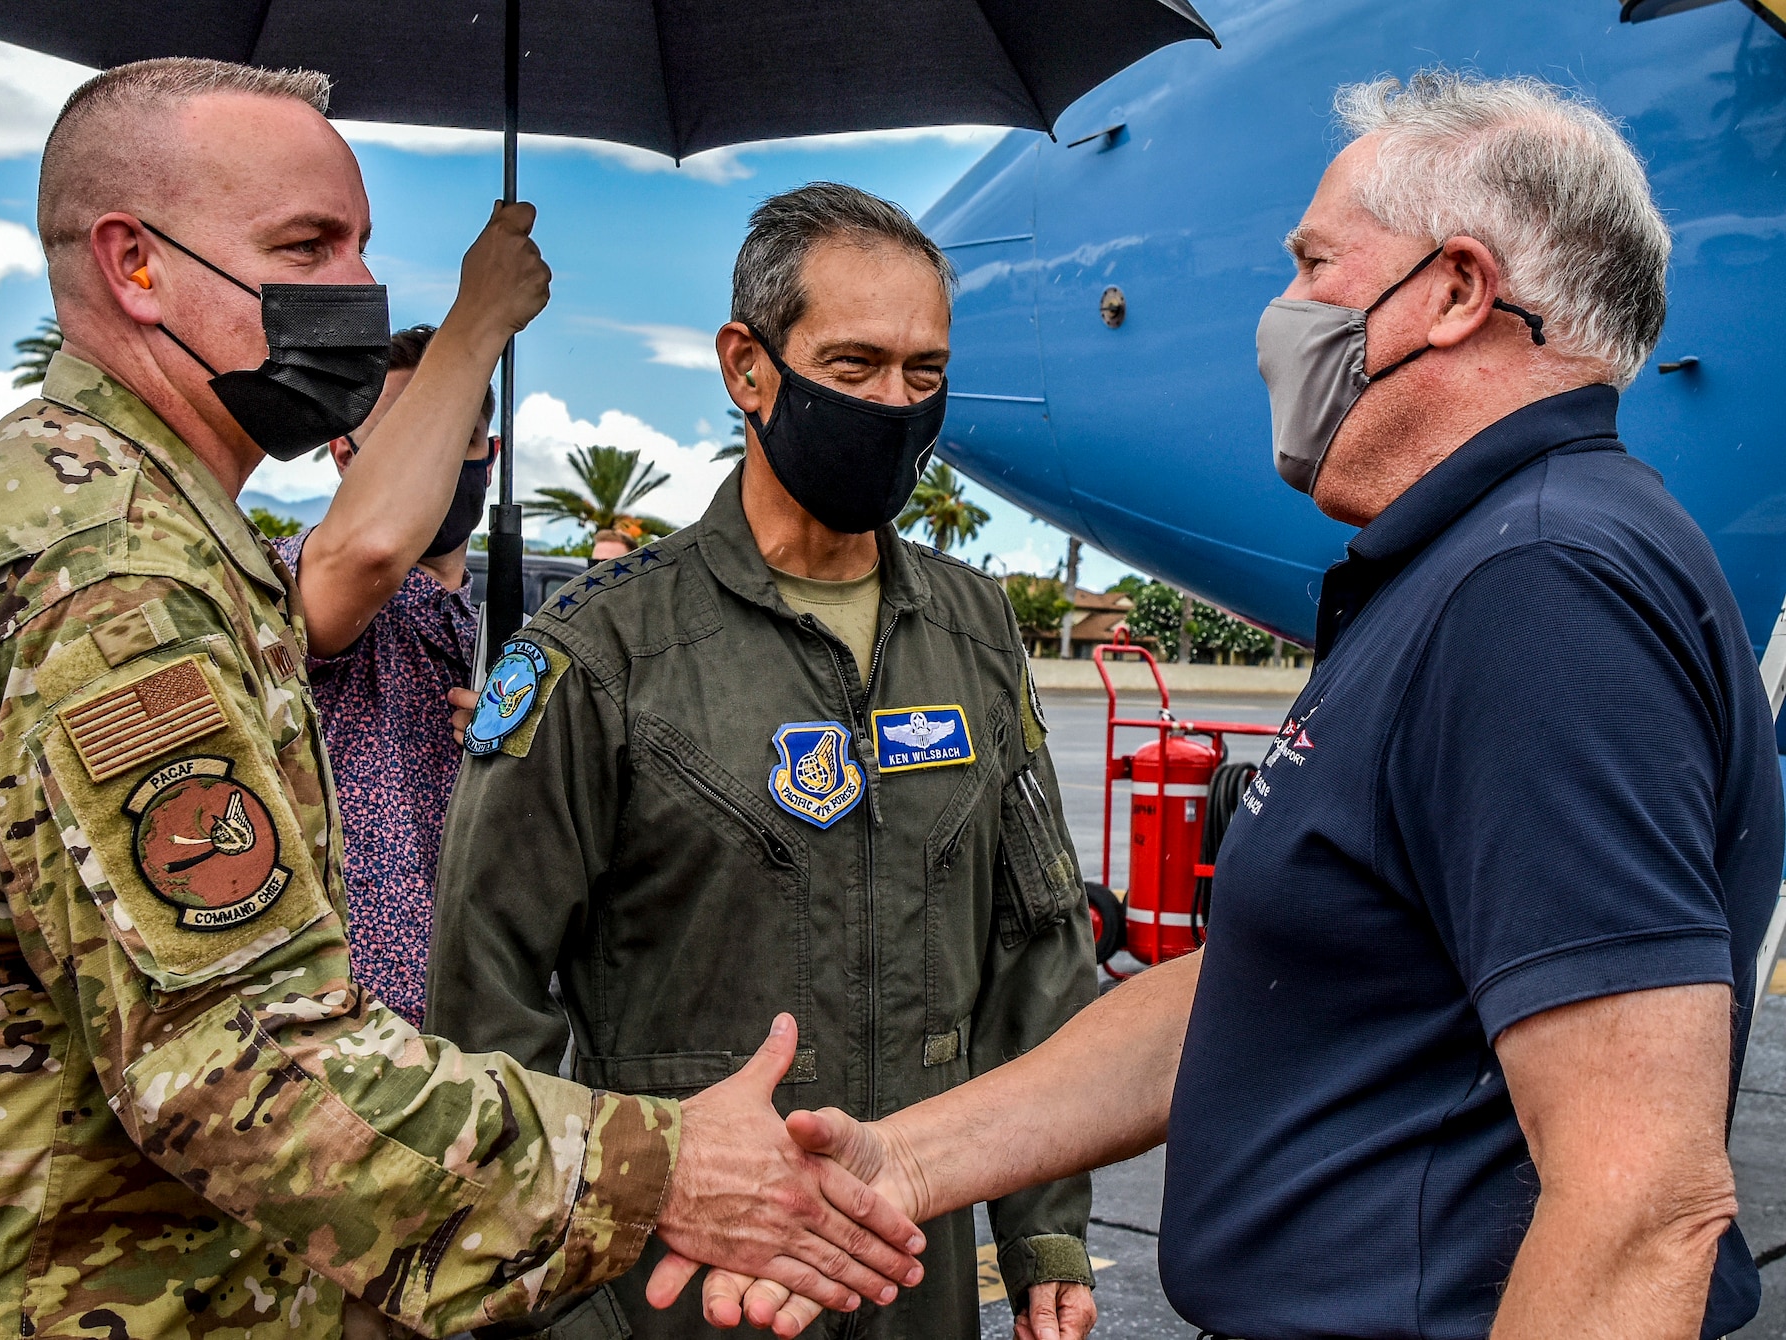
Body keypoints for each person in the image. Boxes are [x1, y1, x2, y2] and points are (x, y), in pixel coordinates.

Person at [0, 58, 930, 1340]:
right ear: (134, 265)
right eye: (307, 245)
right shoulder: (108, 581)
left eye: (359, 245)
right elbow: (245, 1067)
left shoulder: (127, 522)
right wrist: (667, 1165)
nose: (357, 291)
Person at [676, 71, 1786, 1340]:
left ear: (1453, 290)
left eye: (1314, 262)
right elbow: (1264, 982)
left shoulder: (1538, 586)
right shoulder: (1472, 563)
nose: (1282, 309)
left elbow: (1640, 1202)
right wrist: (899, 1164)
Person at [428, 182, 1097, 1340]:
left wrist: (1042, 1227)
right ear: (748, 367)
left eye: (922, 373)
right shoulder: (598, 651)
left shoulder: (974, 627)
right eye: (853, 367)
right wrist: (572, 1297)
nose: (893, 404)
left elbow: (1032, 940)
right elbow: (482, 999)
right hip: (682, 1287)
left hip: (910, 1271)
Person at [273, 321, 498, 1026]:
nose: (435, 462)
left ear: (489, 456)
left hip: (469, 1038)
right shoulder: (297, 580)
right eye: (409, 434)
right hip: (333, 1032)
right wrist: (485, 310)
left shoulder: (506, 637)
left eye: (455, 434)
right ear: (345, 454)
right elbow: (363, 557)